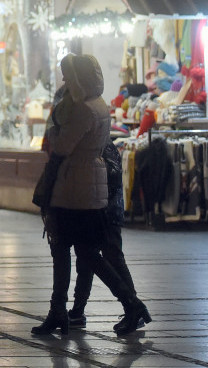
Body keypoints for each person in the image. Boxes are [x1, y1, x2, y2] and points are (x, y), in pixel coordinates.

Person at [31, 54, 151, 337]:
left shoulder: (82, 109)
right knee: (79, 251)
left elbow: (61, 146)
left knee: (73, 251)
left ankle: (128, 304)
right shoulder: (98, 105)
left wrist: (58, 117)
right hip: (84, 186)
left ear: (79, 78)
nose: (64, 81)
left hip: (74, 187)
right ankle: (61, 310)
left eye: (68, 76)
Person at [67, 136, 136, 328]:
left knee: (112, 258)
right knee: (86, 259)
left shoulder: (100, 144)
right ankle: (78, 311)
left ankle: (133, 308)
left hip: (105, 211)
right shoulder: (97, 142)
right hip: (98, 210)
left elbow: (110, 175)